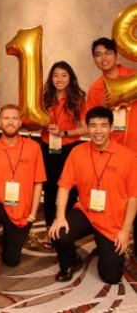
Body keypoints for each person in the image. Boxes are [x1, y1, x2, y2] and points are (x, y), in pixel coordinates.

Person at [50, 106, 137, 284]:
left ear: (112, 128)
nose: (98, 131)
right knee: (58, 232)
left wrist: (125, 231)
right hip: (86, 211)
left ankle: (104, 248)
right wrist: (60, 217)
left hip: (112, 220)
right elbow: (64, 186)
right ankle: (70, 262)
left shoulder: (127, 157)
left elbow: (133, 197)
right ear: (87, 128)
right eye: (93, 126)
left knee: (111, 277)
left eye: (103, 125)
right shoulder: (77, 152)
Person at [0, 104, 46, 292]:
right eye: (6, 118)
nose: (10, 122)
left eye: (14, 118)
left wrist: (32, 214)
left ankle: (5, 234)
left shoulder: (34, 148)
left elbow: (38, 183)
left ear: (20, 122)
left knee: (12, 261)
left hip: (22, 209)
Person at [86, 37, 137, 257]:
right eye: (98, 54)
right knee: (111, 203)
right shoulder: (96, 89)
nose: (103, 58)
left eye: (107, 52)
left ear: (116, 54)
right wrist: (107, 107)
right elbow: (93, 124)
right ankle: (107, 240)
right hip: (111, 156)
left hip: (135, 150)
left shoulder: (134, 78)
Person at [41, 61, 87, 248]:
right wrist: (40, 124)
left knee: (70, 189)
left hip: (70, 150)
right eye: (56, 75)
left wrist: (64, 133)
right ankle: (49, 228)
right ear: (51, 78)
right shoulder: (44, 98)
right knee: (50, 189)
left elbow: (85, 128)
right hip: (47, 148)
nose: (59, 79)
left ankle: (66, 228)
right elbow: (31, 120)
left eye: (64, 75)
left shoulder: (78, 99)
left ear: (70, 78)